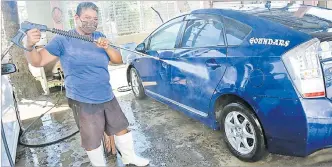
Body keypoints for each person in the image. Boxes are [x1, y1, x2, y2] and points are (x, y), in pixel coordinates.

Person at [24, 2, 149, 167]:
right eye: (87, 17)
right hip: (83, 99)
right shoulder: (63, 39)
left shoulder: (99, 36)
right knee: (92, 139)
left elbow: (117, 60)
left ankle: (129, 157)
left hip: (106, 94)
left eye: (95, 18)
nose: (92, 21)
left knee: (121, 128)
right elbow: (38, 61)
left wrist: (106, 48)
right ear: (76, 18)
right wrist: (29, 45)